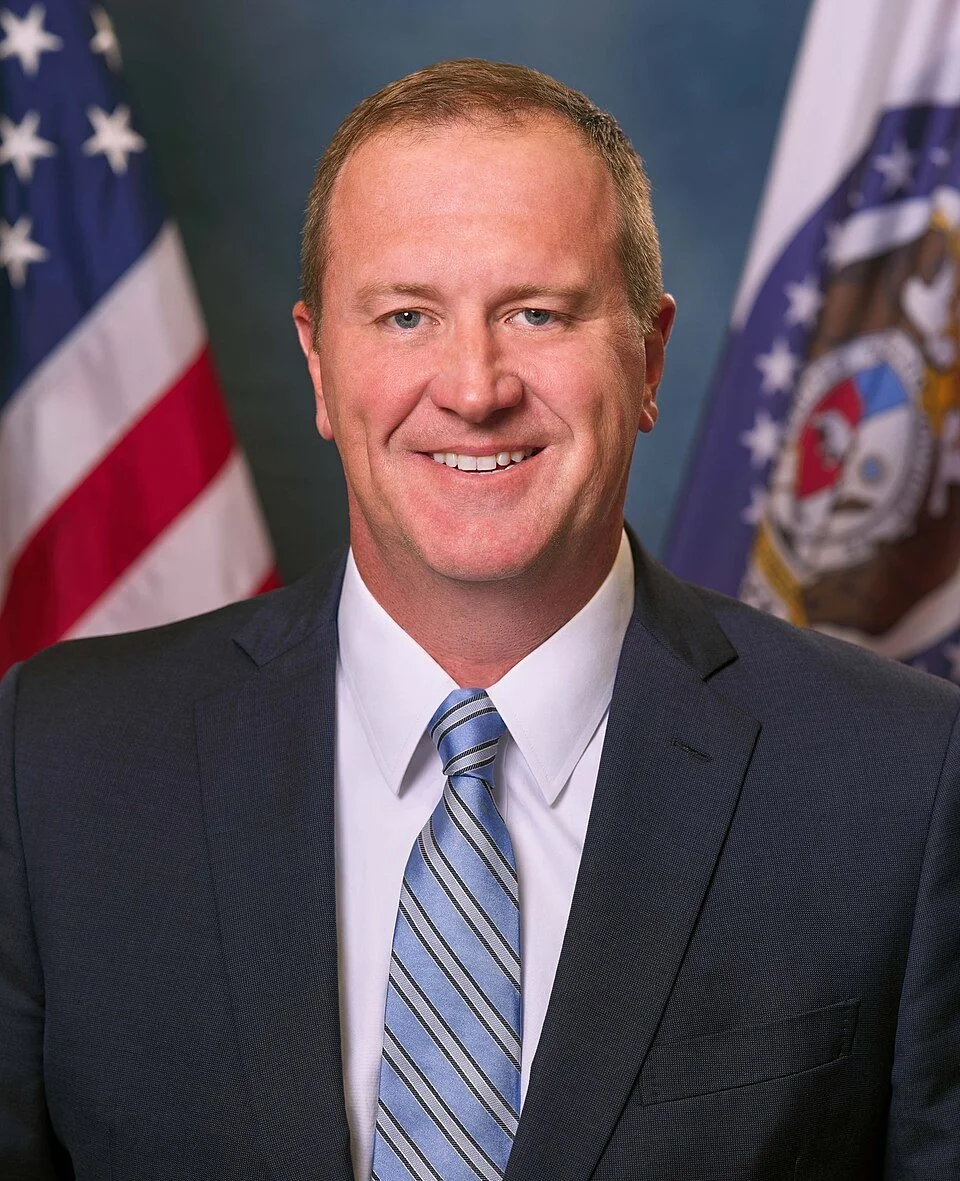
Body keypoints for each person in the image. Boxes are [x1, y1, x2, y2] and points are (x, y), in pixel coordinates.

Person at [2, 58, 958, 1181]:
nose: (474, 385)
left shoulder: (903, 779)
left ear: (648, 355)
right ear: (318, 362)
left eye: (537, 312)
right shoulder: (59, 761)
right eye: (407, 315)